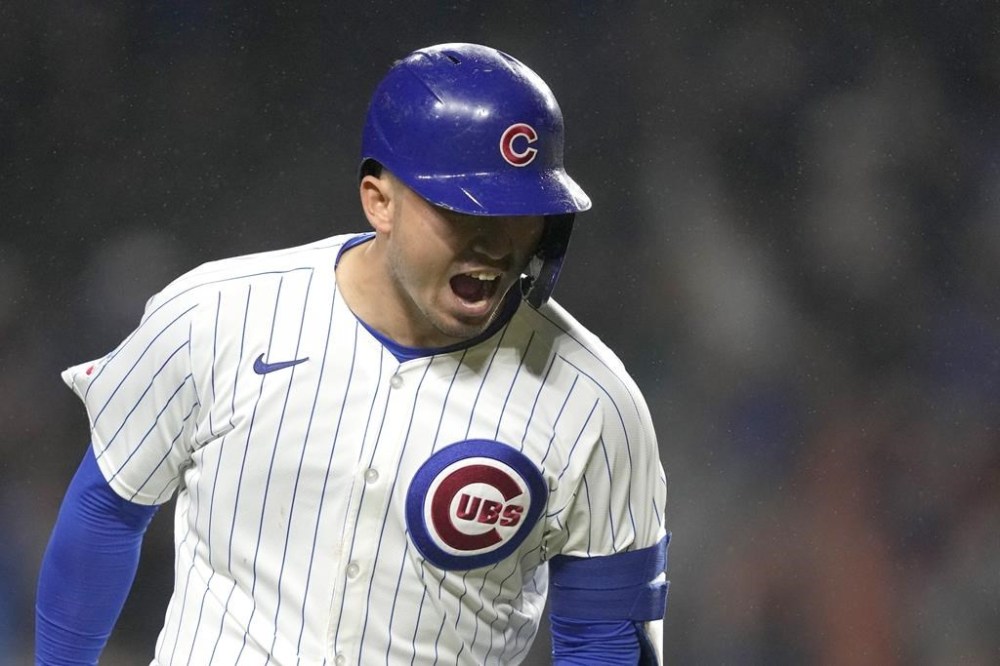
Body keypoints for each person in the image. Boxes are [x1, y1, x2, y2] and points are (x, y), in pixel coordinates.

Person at [35, 42, 669, 665]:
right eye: (464, 210)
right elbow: (107, 508)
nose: (497, 245)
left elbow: (605, 637)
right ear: (379, 200)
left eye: (522, 214)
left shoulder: (597, 404)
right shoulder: (216, 314)